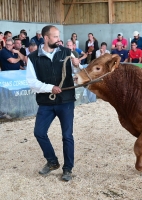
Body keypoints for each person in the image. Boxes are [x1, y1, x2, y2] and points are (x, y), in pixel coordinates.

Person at [26, 25, 81, 181]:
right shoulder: (33, 57)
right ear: (46, 38)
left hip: (66, 101)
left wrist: (77, 66)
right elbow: (32, 83)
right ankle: (52, 162)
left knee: (67, 136)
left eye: (58, 36)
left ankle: (68, 169)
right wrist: (50, 88)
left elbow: (79, 75)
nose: (59, 39)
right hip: (46, 102)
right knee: (39, 133)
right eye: (55, 37)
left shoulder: (67, 52)